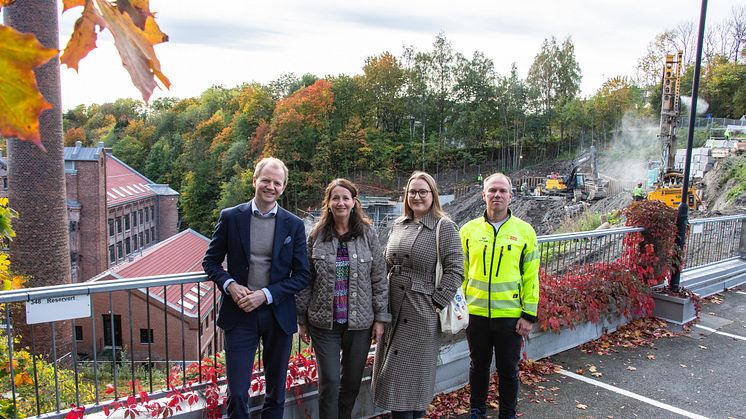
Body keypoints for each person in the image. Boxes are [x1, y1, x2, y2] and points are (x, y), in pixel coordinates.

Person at [202, 157, 310, 419]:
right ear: (254, 181)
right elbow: (211, 262)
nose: (270, 186)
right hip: (240, 315)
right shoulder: (230, 217)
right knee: (237, 392)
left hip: (277, 315)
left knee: (276, 393)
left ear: (283, 187)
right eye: (266, 180)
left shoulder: (293, 224)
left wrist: (266, 295)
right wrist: (230, 285)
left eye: (277, 182)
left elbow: (302, 274)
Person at [372, 171, 464, 419]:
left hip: (421, 314)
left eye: (423, 191)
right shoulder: (399, 224)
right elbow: (385, 263)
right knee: (396, 380)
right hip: (394, 310)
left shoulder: (444, 227)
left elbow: (456, 270)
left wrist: (436, 303)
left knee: (412, 381)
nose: (417, 196)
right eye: (412, 192)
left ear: (433, 195)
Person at [296, 179, 390, 419]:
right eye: (335, 198)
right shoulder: (316, 235)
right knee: (328, 381)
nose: (340, 202)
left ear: (353, 202)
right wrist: (302, 319)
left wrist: (380, 317)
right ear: (328, 203)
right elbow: (306, 279)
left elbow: (379, 277)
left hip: (359, 323)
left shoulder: (367, 234)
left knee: (351, 382)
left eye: (345, 198)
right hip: (323, 322)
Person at [459, 173, 539, 419]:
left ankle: (508, 414)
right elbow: (460, 273)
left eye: (502, 191)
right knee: (478, 367)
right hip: (477, 315)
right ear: (483, 195)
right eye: (492, 190)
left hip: (510, 317)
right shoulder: (468, 230)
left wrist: (528, 315)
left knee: (508, 370)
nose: (497, 195)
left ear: (510, 197)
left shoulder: (525, 232)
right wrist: (460, 309)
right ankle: (477, 410)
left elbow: (531, 277)